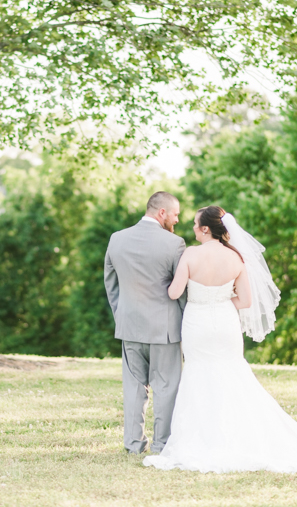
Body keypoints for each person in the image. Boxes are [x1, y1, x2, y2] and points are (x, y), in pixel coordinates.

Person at [143, 206, 297, 474]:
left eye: (196, 225)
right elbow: (245, 301)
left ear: (206, 229)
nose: (194, 229)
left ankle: (202, 438)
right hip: (225, 322)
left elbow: (174, 293)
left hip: (197, 323)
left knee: (199, 374)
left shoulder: (190, 254)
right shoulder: (237, 258)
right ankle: (241, 435)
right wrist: (220, 299)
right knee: (232, 374)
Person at [104, 191, 186, 454]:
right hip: (165, 330)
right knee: (166, 387)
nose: (176, 221)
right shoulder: (174, 244)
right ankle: (162, 445)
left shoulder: (117, 239)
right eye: (175, 215)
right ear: (162, 213)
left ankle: (133, 445)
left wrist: (122, 315)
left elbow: (111, 283)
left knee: (134, 387)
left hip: (129, 326)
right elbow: (181, 290)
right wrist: (186, 323)